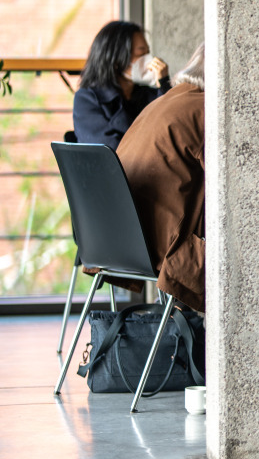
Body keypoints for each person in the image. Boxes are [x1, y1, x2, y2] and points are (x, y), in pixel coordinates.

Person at [116, 44, 205, 311]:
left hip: (118, 238)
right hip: (163, 248)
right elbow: (236, 185)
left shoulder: (164, 100)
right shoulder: (206, 110)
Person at [73, 21, 171, 149]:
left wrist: (164, 85)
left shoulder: (148, 95)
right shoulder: (88, 99)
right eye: (141, 54)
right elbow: (110, 153)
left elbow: (171, 130)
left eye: (148, 53)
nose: (149, 61)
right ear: (116, 59)